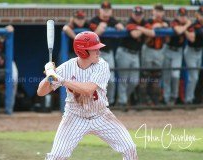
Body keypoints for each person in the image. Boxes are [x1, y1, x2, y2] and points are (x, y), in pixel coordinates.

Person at [37, 31, 138, 160]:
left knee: (130, 148)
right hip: (74, 117)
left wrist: (61, 80)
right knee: (56, 156)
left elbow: (88, 90)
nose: (98, 51)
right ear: (83, 51)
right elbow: (41, 92)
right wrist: (49, 76)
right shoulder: (67, 67)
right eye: (94, 49)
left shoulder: (102, 65)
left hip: (101, 116)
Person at [116, 6, 155, 110]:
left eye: (140, 14)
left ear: (142, 14)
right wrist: (143, 29)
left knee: (134, 81)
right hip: (124, 52)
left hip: (135, 54)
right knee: (123, 79)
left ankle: (123, 98)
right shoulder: (130, 21)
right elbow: (135, 34)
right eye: (136, 14)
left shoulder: (144, 22)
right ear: (132, 14)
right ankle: (122, 102)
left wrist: (140, 28)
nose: (138, 16)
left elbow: (152, 33)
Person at [89, 1, 124, 106]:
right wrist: (101, 27)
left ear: (111, 11)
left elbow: (122, 29)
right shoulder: (94, 20)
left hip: (108, 53)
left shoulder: (112, 20)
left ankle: (111, 101)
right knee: (93, 80)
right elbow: (94, 35)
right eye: (104, 10)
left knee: (111, 80)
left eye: (108, 10)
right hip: (95, 55)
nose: (106, 12)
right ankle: (94, 101)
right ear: (100, 10)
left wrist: (117, 26)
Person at [163, 7, 195, 105]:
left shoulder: (188, 25)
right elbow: (178, 31)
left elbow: (192, 38)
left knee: (175, 75)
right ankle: (166, 98)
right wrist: (187, 25)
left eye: (184, 16)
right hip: (168, 50)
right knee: (166, 76)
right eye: (180, 15)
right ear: (177, 15)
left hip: (178, 52)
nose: (182, 17)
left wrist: (185, 27)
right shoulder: (174, 22)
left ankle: (174, 97)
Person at [141, 4, 169, 105]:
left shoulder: (166, 22)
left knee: (156, 75)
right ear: (153, 11)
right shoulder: (148, 21)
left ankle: (155, 99)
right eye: (156, 11)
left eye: (160, 11)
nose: (158, 13)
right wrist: (155, 27)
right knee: (145, 75)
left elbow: (168, 38)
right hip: (148, 49)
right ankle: (143, 100)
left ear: (163, 13)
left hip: (160, 51)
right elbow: (147, 35)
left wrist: (162, 26)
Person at [184, 6, 203, 104]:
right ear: (197, 15)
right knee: (194, 77)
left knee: (198, 76)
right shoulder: (194, 25)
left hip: (199, 52)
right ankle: (188, 99)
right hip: (191, 52)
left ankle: (195, 98)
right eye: (201, 15)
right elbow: (195, 37)